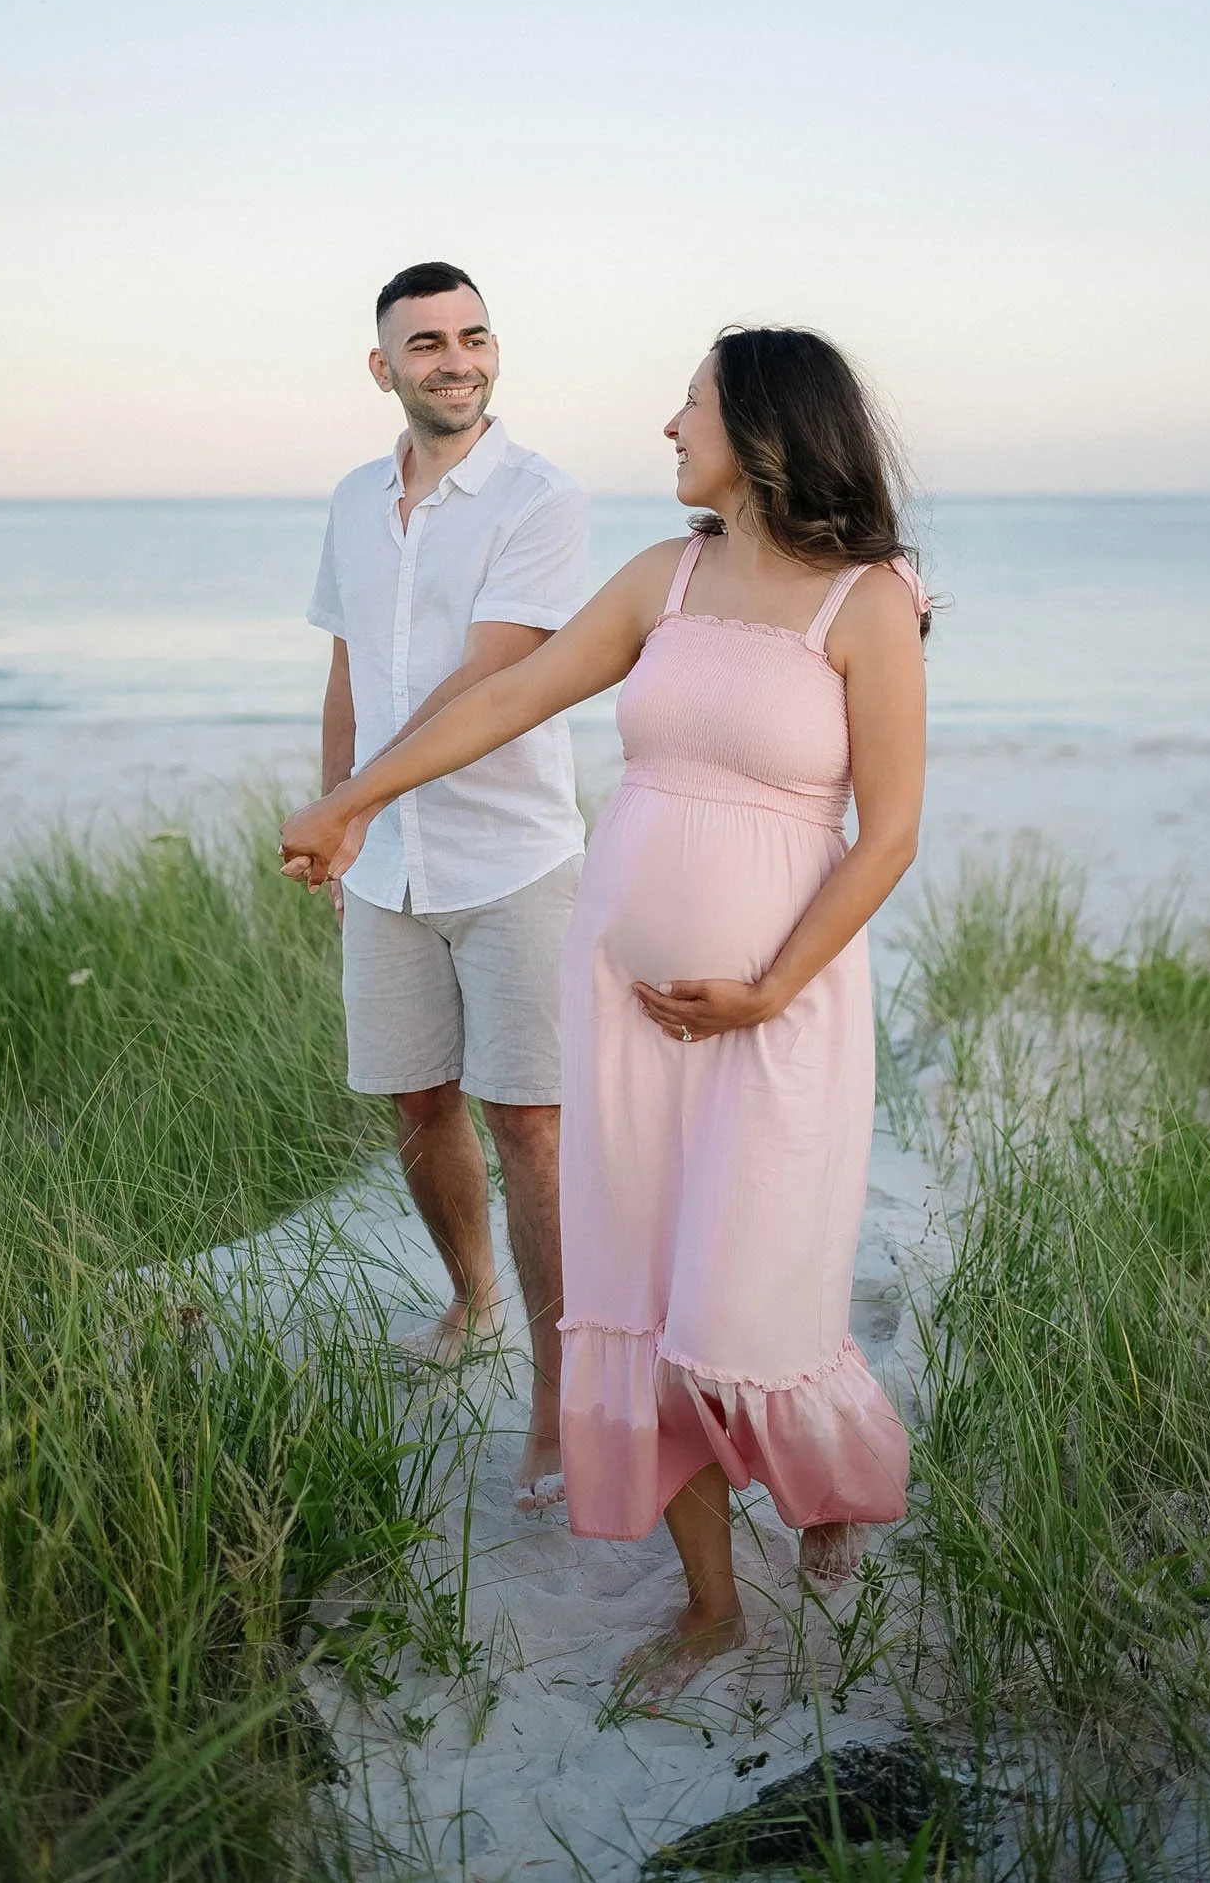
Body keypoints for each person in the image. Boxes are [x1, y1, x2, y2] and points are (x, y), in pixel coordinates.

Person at [282, 325, 928, 1701]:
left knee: (748, 1305)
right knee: (638, 1298)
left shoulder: (865, 602)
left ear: (759, 434)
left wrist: (767, 988)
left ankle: (824, 1495)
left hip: (776, 1017)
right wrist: (355, 799)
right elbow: (514, 693)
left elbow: (887, 838)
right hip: (625, 1011)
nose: (665, 425)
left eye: (687, 403)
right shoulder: (666, 576)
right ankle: (709, 1607)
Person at [307, 260, 588, 1515]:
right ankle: (476, 1307)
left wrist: (348, 801)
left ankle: (561, 1397)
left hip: (515, 858)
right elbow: (348, 671)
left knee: (531, 1120)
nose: (456, 360)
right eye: (426, 344)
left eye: (474, 336)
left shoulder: (542, 499)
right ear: (384, 368)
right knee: (418, 1102)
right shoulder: (354, 499)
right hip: (388, 863)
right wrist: (344, 826)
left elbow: (489, 687)